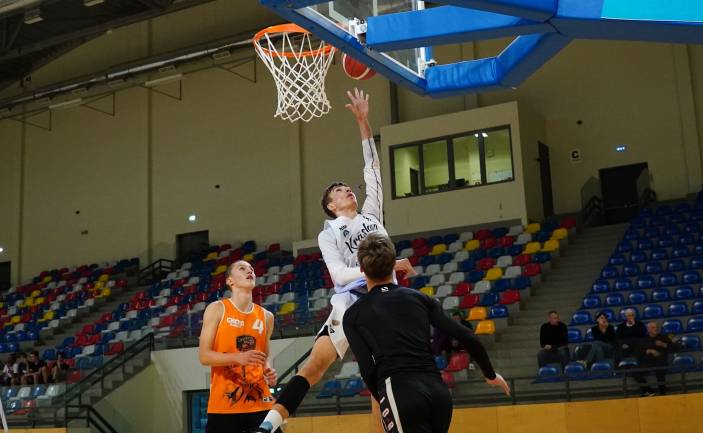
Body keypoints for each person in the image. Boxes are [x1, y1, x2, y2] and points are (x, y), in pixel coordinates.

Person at [255, 89, 415, 433]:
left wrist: (362, 121)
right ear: (331, 205)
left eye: (348, 188)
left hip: (385, 301)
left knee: (382, 378)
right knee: (314, 365)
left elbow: (372, 167)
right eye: (340, 191)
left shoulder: (372, 215)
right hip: (351, 302)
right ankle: (268, 424)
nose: (348, 191)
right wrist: (381, 267)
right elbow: (340, 276)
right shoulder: (329, 233)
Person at [343, 233, 510, 433]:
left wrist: (384, 398)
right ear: (393, 265)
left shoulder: (354, 314)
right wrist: (490, 375)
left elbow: (367, 369)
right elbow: (468, 337)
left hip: (399, 390)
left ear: (361, 269)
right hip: (437, 391)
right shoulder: (421, 299)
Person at [199, 260, 278, 433]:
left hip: (259, 401)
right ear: (230, 281)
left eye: (252, 269)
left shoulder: (267, 316)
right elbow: (204, 356)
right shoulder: (217, 309)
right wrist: (237, 357)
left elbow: (265, 355)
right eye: (242, 268)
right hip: (225, 404)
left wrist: (268, 370)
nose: (250, 271)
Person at [632, 321, 679, 396]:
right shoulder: (643, 339)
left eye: (657, 327)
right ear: (648, 330)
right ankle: (648, 390)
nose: (656, 329)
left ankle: (662, 392)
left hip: (660, 361)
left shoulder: (664, 337)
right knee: (635, 372)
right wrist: (648, 351)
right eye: (653, 328)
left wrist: (663, 344)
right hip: (647, 363)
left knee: (660, 370)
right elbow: (637, 352)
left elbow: (675, 348)